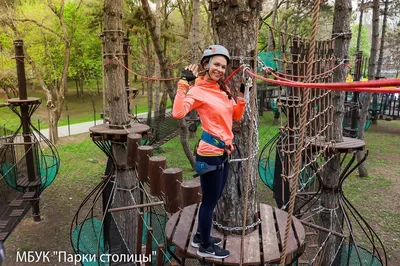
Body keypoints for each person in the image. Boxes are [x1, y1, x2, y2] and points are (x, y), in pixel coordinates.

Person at [172, 45, 246, 259]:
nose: (220, 69)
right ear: (206, 64)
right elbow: (178, 113)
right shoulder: (198, 90)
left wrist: (242, 94)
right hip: (210, 153)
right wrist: (183, 84)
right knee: (210, 202)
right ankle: (205, 245)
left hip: (223, 152)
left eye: (223, 66)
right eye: (216, 64)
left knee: (214, 197)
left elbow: (236, 116)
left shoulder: (223, 90)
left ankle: (199, 235)